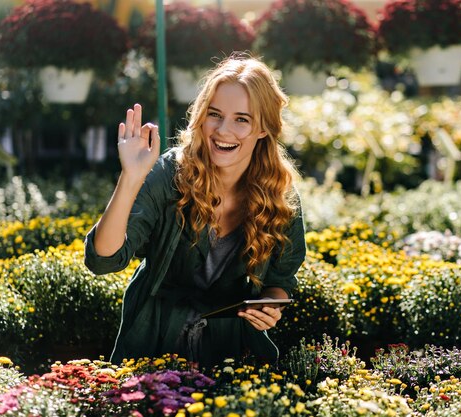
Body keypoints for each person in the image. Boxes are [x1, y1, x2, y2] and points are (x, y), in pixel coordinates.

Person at [84, 55, 306, 368]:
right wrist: (130, 177)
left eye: (242, 119)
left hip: (233, 356)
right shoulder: (169, 174)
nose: (223, 130)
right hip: (152, 350)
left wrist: (271, 305)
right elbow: (104, 260)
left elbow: (281, 279)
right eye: (215, 114)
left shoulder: (279, 194)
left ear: (263, 129)